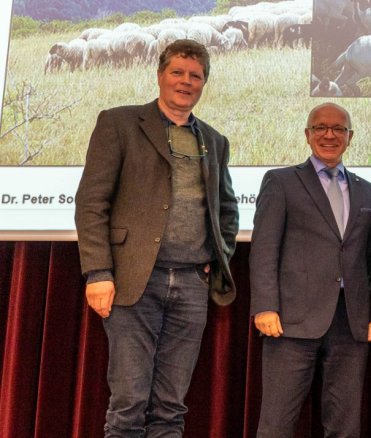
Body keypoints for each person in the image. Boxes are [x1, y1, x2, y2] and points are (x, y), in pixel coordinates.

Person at [74, 39, 239, 436]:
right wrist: (98, 271)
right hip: (133, 282)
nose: (186, 82)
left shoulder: (214, 141)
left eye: (195, 76)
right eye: (177, 73)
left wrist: (214, 259)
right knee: (129, 403)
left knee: (170, 407)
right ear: (160, 75)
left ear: (204, 84)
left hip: (190, 285)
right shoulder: (119, 123)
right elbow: (91, 202)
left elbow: (227, 211)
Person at [249, 102, 371, 437]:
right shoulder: (281, 182)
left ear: (350, 136)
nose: (329, 135)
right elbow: (264, 250)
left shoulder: (368, 191)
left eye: (338, 129)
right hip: (290, 322)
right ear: (307, 135)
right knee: (276, 424)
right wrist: (265, 306)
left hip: (351, 322)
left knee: (344, 426)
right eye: (320, 128)